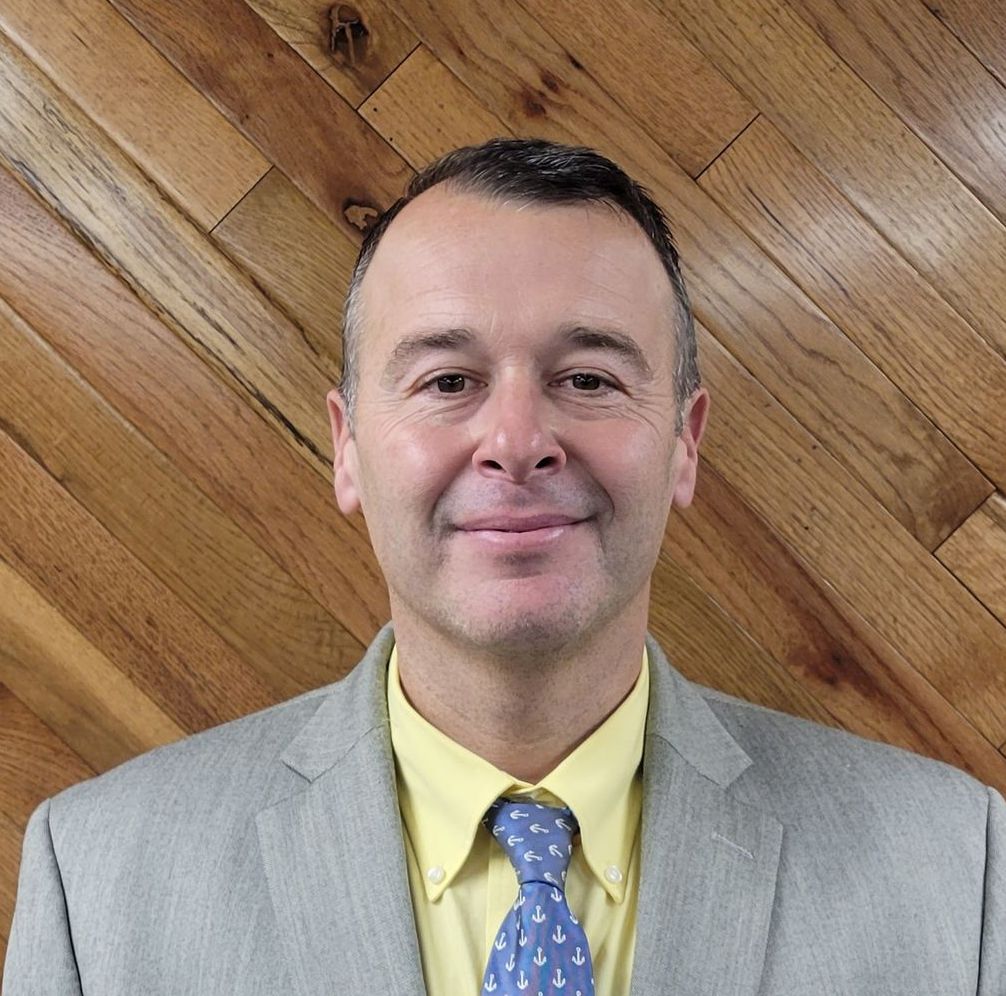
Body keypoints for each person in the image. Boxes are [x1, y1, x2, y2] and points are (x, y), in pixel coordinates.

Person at [3, 137, 1004, 995]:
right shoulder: (98, 882)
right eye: (447, 379)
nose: (517, 440)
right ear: (347, 448)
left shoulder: (956, 871)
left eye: (587, 378)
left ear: (685, 444)